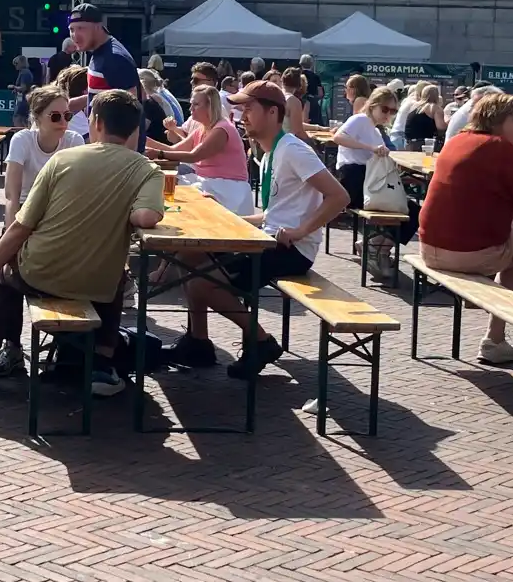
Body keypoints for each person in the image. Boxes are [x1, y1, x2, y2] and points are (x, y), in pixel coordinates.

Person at [0, 89, 164, 395]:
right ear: (135, 130)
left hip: (39, 275)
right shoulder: (148, 171)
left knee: (3, 273)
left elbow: (20, 228)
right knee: (116, 276)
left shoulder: (63, 160)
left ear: (96, 122)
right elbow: (145, 217)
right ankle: (102, 367)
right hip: (96, 283)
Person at [177, 81, 349, 378]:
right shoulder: (271, 153)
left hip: (292, 250)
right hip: (271, 240)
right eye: (240, 109)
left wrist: (300, 231)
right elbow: (272, 215)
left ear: (272, 113)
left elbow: (339, 197)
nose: (241, 116)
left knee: (201, 282)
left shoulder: (293, 149)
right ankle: (198, 343)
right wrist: (227, 217)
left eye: (249, 109)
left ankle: (261, 342)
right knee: (189, 256)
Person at [418, 92, 513, 365]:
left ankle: (487, 311)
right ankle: (494, 339)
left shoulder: (456, 140)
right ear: (497, 118)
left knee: (507, 223)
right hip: (465, 255)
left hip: (429, 249)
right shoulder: (499, 147)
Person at [148, 83, 252, 214]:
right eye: (191, 104)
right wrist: (144, 141)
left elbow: (194, 156)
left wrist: (157, 153)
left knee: (168, 183)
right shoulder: (203, 128)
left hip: (228, 189)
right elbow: (173, 150)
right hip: (209, 182)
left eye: (196, 104)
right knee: (163, 180)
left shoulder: (222, 129)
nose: (191, 108)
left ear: (210, 106)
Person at [66, 4, 141, 147]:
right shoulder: (100, 53)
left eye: (81, 28)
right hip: (104, 149)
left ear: (98, 27)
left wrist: (127, 155)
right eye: (71, 29)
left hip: (115, 153)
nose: (75, 35)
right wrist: (66, 106)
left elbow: (132, 111)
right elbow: (103, 93)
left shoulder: (114, 58)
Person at [3, 83, 82, 215]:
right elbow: (12, 197)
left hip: (60, 210)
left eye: (67, 116)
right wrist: (12, 226)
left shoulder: (74, 141)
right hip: (25, 208)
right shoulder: (22, 140)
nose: (63, 122)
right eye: (55, 117)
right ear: (37, 117)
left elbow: (78, 193)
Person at [330, 84, 395, 205]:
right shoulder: (361, 119)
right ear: (372, 106)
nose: (388, 115)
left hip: (366, 178)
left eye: (392, 111)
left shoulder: (376, 132)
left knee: (404, 206)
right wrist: (371, 148)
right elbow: (338, 137)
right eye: (385, 109)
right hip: (352, 176)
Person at [298, 53, 324, 125]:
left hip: (300, 104)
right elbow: (320, 93)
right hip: (313, 104)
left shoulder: (298, 76)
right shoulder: (315, 77)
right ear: (311, 64)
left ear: (300, 63)